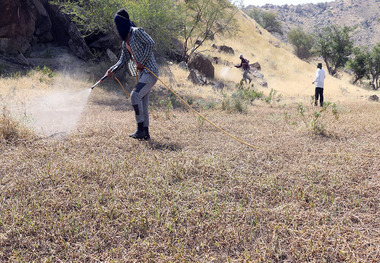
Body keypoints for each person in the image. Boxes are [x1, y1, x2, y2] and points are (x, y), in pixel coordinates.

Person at [106, 9, 159, 140]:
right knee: (143, 102)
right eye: (116, 25)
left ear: (124, 23)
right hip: (142, 74)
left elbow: (151, 43)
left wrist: (142, 61)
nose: (117, 27)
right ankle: (145, 132)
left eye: (118, 24)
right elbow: (122, 60)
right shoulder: (125, 42)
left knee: (135, 95)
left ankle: (140, 129)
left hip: (150, 72)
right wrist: (112, 70)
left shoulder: (137, 31)